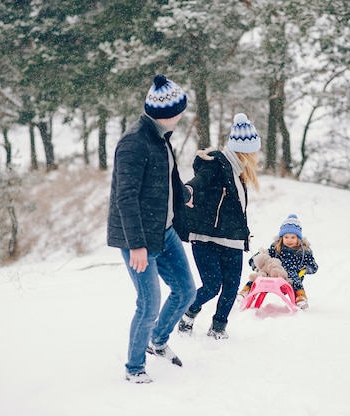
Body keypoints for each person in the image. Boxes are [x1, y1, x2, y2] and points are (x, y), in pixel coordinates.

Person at [107, 74, 196, 384]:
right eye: (181, 109)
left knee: (186, 291)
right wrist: (137, 246)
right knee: (148, 303)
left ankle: (156, 341)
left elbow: (162, 180)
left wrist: (184, 194)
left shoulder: (160, 136)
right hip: (140, 239)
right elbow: (125, 198)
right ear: (170, 112)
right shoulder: (134, 142)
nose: (183, 115)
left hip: (165, 230)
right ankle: (134, 368)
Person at [178, 113, 261, 339]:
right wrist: (189, 190)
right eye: (254, 152)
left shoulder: (238, 172)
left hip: (232, 237)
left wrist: (243, 234)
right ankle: (187, 314)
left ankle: (218, 327)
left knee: (232, 286)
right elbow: (200, 180)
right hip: (206, 236)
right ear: (245, 151)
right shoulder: (216, 164)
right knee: (212, 285)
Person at [238, 214, 319, 309]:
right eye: (286, 237)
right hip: (273, 274)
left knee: (294, 276)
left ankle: (300, 297)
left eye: (293, 237)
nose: (289, 240)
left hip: (290, 279)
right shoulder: (276, 248)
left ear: (298, 239)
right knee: (260, 276)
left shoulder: (303, 252)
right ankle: (245, 292)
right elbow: (260, 256)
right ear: (281, 238)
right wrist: (255, 264)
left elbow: (314, 266)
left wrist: (305, 270)